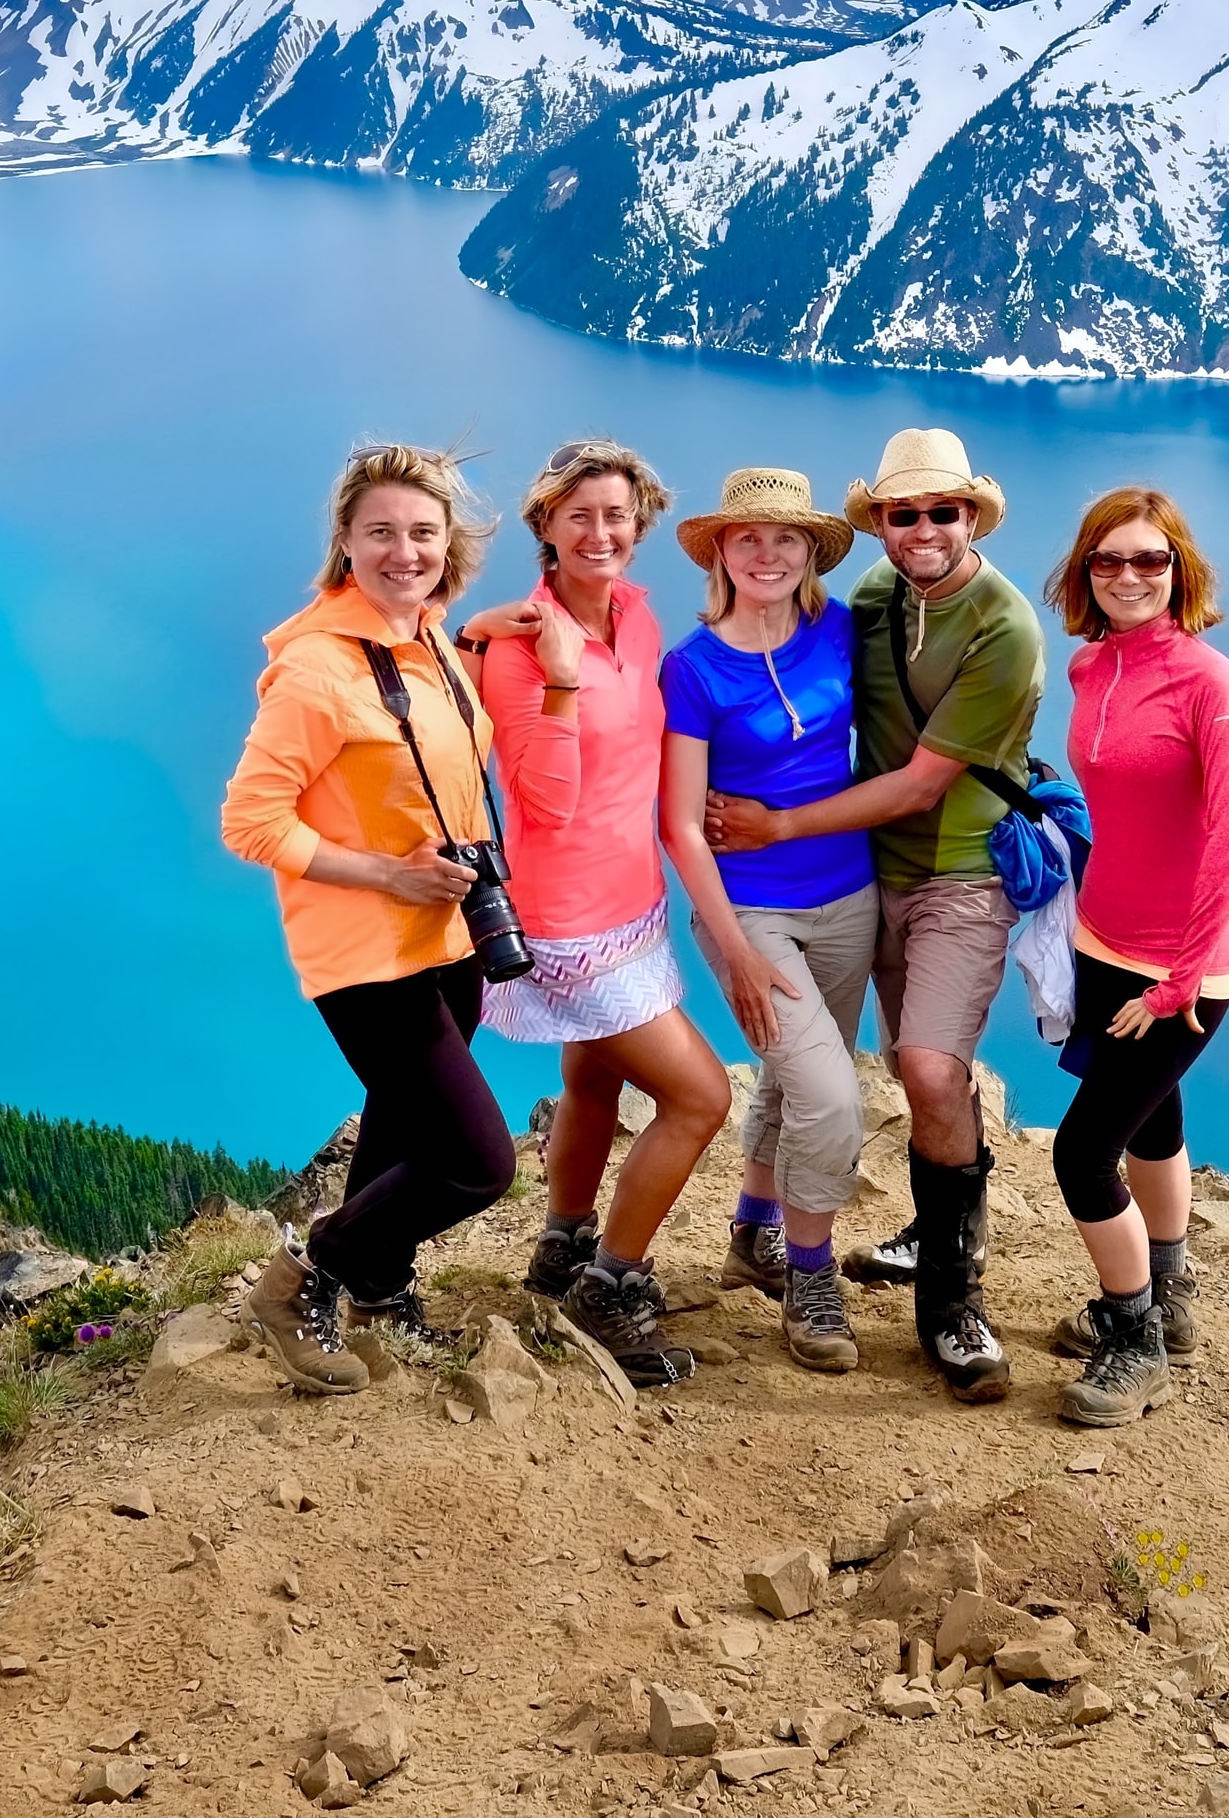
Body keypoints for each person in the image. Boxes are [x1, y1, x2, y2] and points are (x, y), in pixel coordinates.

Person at [707, 427, 1041, 1404]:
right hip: (854, 875)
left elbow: (918, 787)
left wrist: (775, 823)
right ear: (882, 525)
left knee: (929, 1068)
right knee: (837, 1052)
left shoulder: (1005, 626)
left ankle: (952, 1298)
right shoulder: (871, 599)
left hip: (957, 874)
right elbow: (787, 665)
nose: (925, 528)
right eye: (905, 514)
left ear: (971, 515)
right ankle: (764, 1232)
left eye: (944, 511)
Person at [219, 443, 522, 1395]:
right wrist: (387, 876)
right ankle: (302, 1279)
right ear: (344, 542)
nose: (405, 551)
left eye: (423, 533)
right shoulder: (317, 672)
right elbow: (250, 822)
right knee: (477, 1164)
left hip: (448, 929)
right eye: (381, 532)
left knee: (402, 1127)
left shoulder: (431, 641)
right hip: (366, 949)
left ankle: (378, 1287)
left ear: (450, 545)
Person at [454, 439, 735, 1387]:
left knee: (593, 1084)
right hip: (569, 919)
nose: (601, 532)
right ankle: (610, 1291)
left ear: (641, 525)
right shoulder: (523, 647)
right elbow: (545, 798)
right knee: (701, 1097)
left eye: (617, 515)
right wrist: (562, 676)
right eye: (579, 515)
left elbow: (657, 743)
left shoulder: (640, 617)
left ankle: (564, 1244)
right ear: (545, 527)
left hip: (630, 901)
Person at [1039, 486, 1229, 1428]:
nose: (1129, 576)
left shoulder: (1213, 682)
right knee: (1149, 1121)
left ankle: (1136, 1343)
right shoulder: (1092, 667)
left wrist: (1178, 982)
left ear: (1180, 571)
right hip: (1103, 939)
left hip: (1186, 966)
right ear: (1086, 572)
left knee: (1084, 1152)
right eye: (1109, 560)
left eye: (1149, 561)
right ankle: (1168, 1301)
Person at [656, 469, 876, 1374]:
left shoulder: (840, 631)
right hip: (751, 907)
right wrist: (737, 950)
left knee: (792, 1079)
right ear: (719, 552)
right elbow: (679, 823)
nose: (767, 553)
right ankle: (813, 1272)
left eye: (786, 538)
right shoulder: (693, 666)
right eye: (747, 537)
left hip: (850, 893)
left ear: (810, 553)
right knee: (831, 1095)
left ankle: (753, 1233)